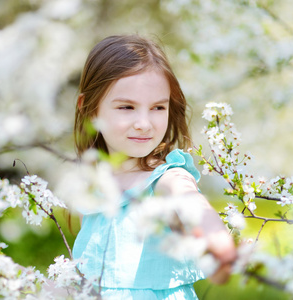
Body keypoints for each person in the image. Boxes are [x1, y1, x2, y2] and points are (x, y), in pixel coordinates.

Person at [72, 34, 237, 299]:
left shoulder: (166, 177)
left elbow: (188, 200)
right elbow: (81, 284)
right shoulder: (94, 189)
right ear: (89, 108)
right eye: (127, 107)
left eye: (158, 107)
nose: (144, 123)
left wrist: (214, 239)